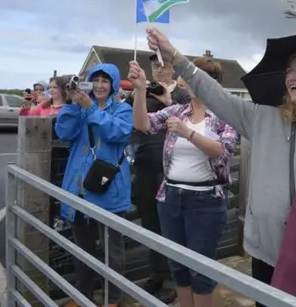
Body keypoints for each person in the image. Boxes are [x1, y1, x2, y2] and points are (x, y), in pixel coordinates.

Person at [143, 27, 296, 307]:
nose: (291, 76)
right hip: (266, 250)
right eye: (289, 70)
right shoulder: (263, 117)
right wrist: (175, 56)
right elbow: (216, 96)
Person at [130, 60, 237, 307]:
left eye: (201, 77)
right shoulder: (178, 111)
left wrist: (188, 133)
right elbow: (142, 124)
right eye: (190, 76)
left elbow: (223, 151)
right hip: (170, 198)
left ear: (212, 83)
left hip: (206, 201)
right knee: (178, 265)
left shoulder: (224, 114)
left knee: (201, 269)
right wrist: (138, 90)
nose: (191, 81)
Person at [55, 64, 133, 307]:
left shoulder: (123, 109)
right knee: (83, 250)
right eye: (95, 80)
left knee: (113, 252)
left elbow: (117, 133)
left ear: (114, 85)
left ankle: (112, 299)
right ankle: (83, 296)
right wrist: (71, 104)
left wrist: (91, 109)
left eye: (105, 81)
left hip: (108, 190)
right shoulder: (79, 106)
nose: (99, 85)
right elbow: (63, 132)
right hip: (78, 189)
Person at [124, 53, 190, 301]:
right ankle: (157, 273)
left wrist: (168, 99)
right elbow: (135, 126)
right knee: (150, 221)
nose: (160, 70)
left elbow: (191, 119)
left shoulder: (183, 94)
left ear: (173, 68)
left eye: (164, 65)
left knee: (171, 223)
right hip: (145, 166)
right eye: (155, 65)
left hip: (172, 168)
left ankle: (176, 277)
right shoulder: (141, 93)